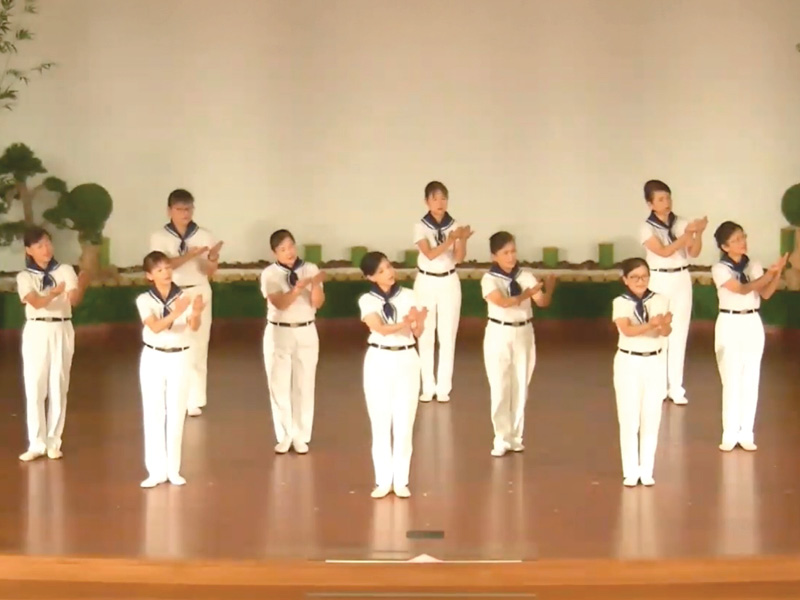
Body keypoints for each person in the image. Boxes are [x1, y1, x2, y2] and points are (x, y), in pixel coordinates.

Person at [711, 222, 787, 452]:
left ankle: (747, 433)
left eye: (743, 237)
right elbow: (742, 289)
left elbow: (765, 292)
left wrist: (776, 273)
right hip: (729, 321)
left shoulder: (753, 265)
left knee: (751, 378)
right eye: (735, 240)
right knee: (731, 379)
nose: (742, 242)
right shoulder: (720, 269)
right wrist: (769, 274)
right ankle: (729, 433)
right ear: (724, 246)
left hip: (752, 321)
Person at [16, 226, 89, 462]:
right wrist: (55, 292)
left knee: (59, 383)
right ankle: (36, 443)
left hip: (62, 327)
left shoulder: (65, 270)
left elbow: (73, 298)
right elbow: (35, 302)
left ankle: (53, 441)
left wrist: (80, 284)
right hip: (36, 329)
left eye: (48, 243)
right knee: (35, 385)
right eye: (39, 245)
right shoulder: (25, 277)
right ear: (29, 250)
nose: (46, 249)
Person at [358, 251, 427, 498]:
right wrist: (405, 323)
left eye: (388, 266)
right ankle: (382, 480)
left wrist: (418, 321)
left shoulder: (409, 295)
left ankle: (401, 480)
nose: (388, 272)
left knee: (404, 422)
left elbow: (417, 331)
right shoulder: (367, 300)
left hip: (407, 358)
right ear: (371, 277)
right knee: (380, 422)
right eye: (381, 271)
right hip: (379, 359)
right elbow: (379, 328)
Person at [480, 231, 555, 458]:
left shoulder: (525, 276)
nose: (511, 257)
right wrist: (526, 294)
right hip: (499, 332)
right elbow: (502, 302)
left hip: (524, 332)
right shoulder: (489, 279)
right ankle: (501, 437)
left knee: (521, 384)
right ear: (494, 256)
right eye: (505, 253)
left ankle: (515, 437)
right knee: (500, 386)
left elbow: (541, 301)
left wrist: (549, 288)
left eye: (513, 251)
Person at [149, 189, 222, 417]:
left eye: (188, 209)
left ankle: (195, 399)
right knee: (172, 344)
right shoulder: (159, 237)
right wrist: (190, 255)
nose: (185, 213)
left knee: (198, 344)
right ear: (169, 210)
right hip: (171, 292)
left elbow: (209, 271)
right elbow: (162, 265)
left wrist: (211, 258)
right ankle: (172, 395)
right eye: (179, 209)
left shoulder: (205, 235)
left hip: (199, 289)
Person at [136, 251, 205, 488]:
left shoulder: (185, 296)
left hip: (180, 356)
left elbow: (193, 326)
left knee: (176, 412)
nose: (165, 273)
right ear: (149, 275)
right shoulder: (144, 300)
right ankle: (155, 471)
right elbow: (155, 327)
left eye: (167, 268)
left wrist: (195, 313)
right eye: (159, 270)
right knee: (153, 412)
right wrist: (177, 312)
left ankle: (173, 469)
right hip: (153, 356)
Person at [639, 179, 707, 405]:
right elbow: (664, 251)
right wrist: (687, 235)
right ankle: (657, 386)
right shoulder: (646, 228)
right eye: (660, 199)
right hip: (659, 278)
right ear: (650, 204)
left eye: (668, 198)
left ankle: (676, 387)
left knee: (679, 331)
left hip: (681, 277)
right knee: (659, 330)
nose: (666, 202)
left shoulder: (682, 223)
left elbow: (693, 253)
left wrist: (698, 234)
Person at [260, 229, 326, 455]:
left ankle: (301, 435)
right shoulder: (269, 274)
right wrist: (298, 288)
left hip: (306, 329)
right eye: (282, 249)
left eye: (291, 246)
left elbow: (318, 303)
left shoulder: (310, 269)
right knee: (279, 384)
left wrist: (315, 285)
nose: (289, 252)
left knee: (304, 384)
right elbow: (280, 303)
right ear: (274, 252)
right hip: (279, 331)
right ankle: (285, 435)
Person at [611, 257, 672, 487]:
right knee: (629, 417)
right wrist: (651, 325)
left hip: (654, 361)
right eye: (634, 277)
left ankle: (647, 469)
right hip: (628, 361)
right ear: (625, 280)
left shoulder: (660, 300)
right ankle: (630, 470)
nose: (640, 281)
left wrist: (663, 325)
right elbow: (627, 330)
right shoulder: (620, 302)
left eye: (644, 276)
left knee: (651, 415)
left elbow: (664, 331)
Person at [413, 181, 473, 403]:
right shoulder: (420, 226)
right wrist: (450, 240)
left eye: (444, 198)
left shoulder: (454, 225)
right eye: (435, 198)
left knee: (448, 335)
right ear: (427, 201)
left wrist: (462, 240)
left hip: (449, 281)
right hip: (426, 281)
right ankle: (427, 386)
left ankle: (443, 387)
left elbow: (458, 258)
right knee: (426, 333)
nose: (440, 203)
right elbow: (429, 254)